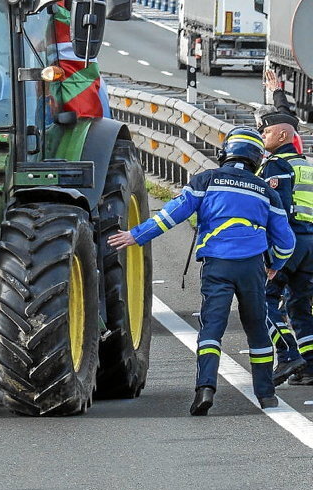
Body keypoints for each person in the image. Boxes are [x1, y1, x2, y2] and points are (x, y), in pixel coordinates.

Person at [109, 127, 296, 414]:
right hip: (252, 268)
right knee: (257, 329)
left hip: (217, 265)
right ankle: (266, 395)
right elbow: (286, 241)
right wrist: (274, 265)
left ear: (227, 152)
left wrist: (136, 236)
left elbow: (172, 214)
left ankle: (205, 390)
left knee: (211, 329)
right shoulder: (266, 192)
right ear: (257, 158)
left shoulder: (206, 180)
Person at [255, 108, 313, 387]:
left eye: (265, 132)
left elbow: (279, 210)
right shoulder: (307, 165)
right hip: (311, 243)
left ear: (281, 134)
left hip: (291, 241)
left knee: (263, 297)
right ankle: (310, 367)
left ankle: (288, 353)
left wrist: (272, 255)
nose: (262, 136)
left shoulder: (277, 165)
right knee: (298, 304)